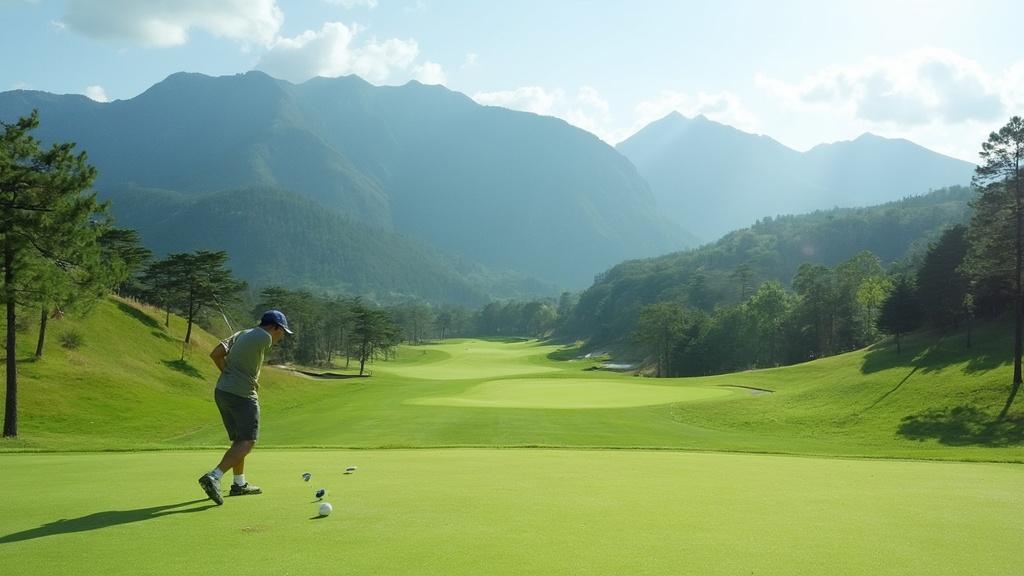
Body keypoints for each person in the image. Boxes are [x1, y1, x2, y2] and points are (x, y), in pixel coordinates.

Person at [198, 310, 293, 505]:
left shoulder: (242, 334)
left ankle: (239, 484)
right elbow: (262, 338)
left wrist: (230, 373)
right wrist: (242, 378)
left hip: (222, 391)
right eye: (282, 331)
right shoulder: (264, 336)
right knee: (248, 441)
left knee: (239, 441)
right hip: (242, 396)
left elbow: (215, 354)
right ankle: (214, 476)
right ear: (275, 327)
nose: (281, 336)